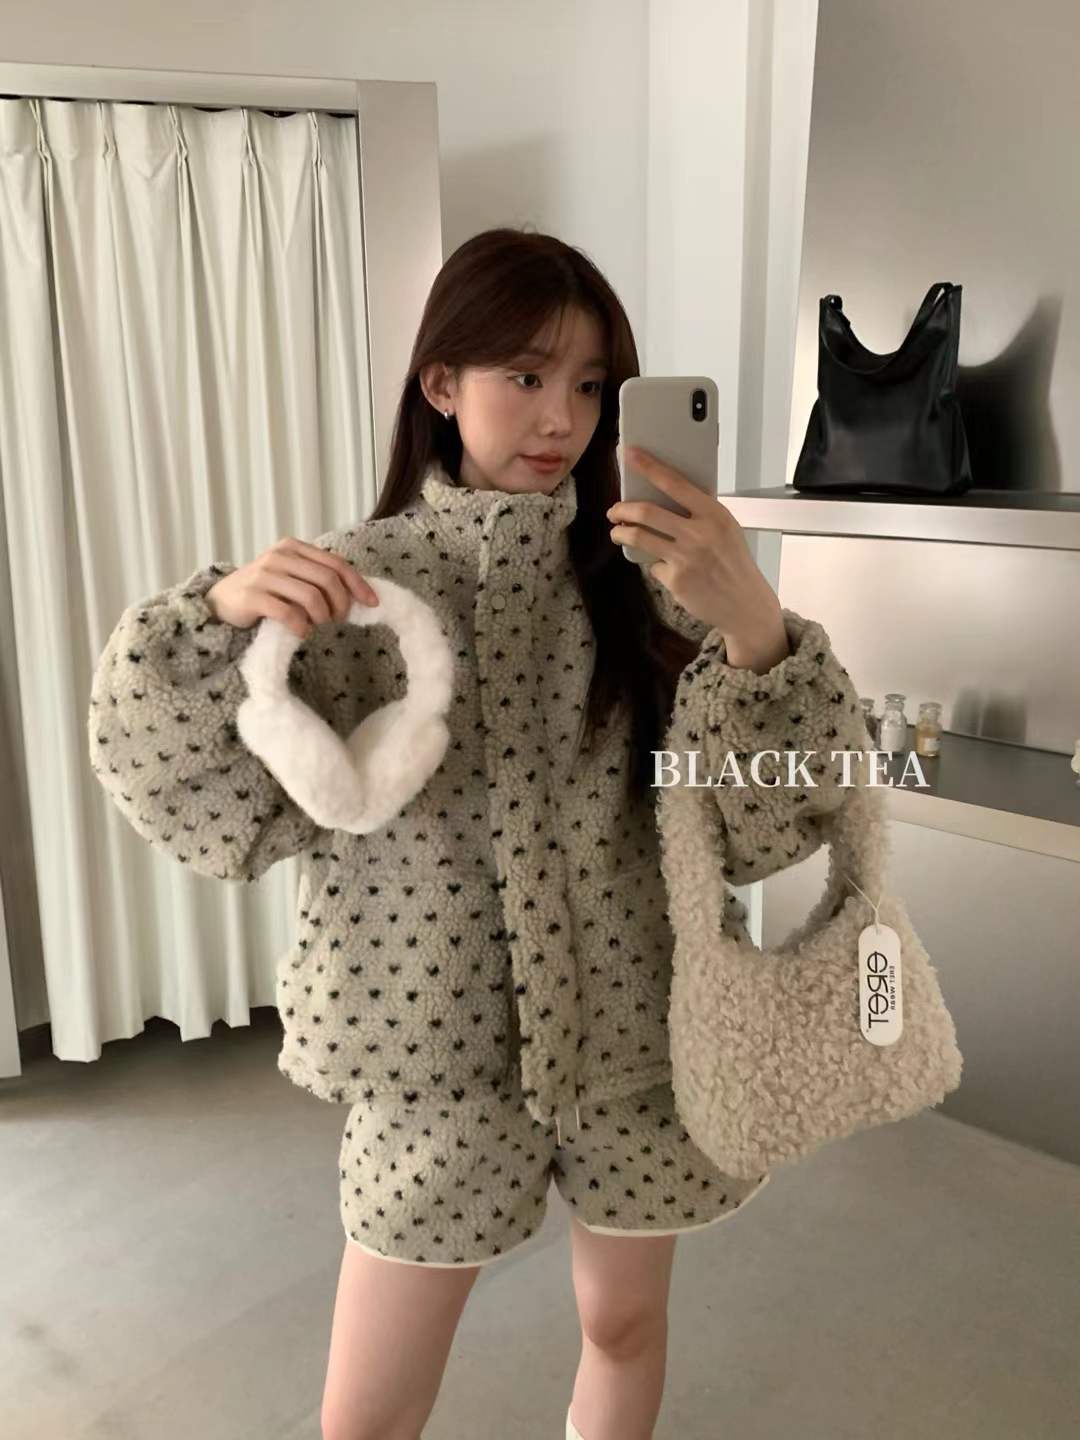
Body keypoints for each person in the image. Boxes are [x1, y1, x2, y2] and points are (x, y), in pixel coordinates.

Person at [88, 226, 870, 1440]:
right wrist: (216, 616)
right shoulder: (356, 588)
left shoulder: (655, 586)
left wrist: (756, 629)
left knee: (623, 1328)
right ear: (441, 383)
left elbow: (772, 823)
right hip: (428, 1055)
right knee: (368, 1413)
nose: (562, 417)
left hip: (643, 1043)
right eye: (526, 374)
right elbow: (198, 798)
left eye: (591, 385)